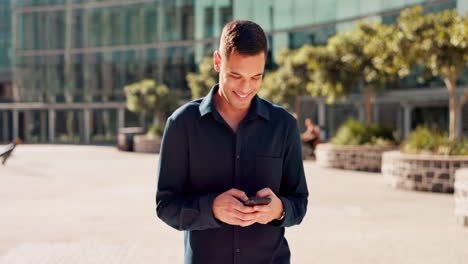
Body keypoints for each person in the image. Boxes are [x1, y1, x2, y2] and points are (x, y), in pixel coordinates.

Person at [156, 20, 308, 264]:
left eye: (256, 77)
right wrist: (211, 208)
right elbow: (165, 205)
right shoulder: (182, 124)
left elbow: (299, 202)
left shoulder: (284, 125)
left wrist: (279, 209)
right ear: (218, 62)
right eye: (235, 75)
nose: (246, 88)